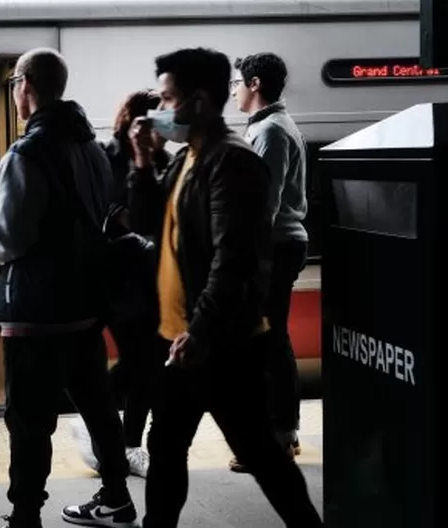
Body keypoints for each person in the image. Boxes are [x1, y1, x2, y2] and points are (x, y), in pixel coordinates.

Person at [127, 47, 323, 527]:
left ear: (196, 100)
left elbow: (233, 260)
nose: (162, 109)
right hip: (184, 339)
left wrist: (202, 331)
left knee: (259, 452)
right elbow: (151, 224)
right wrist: (143, 162)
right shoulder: (187, 159)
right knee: (167, 447)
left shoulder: (232, 162)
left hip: (218, 343)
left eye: (168, 98)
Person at [0, 48, 139, 528]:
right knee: (99, 409)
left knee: (29, 421)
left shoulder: (26, 153)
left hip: (35, 313)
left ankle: (26, 514)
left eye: (13, 83)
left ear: (24, 84)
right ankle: (116, 497)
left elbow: (8, 237)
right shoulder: (90, 149)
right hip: (86, 307)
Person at [71, 90, 170, 478]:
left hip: (154, 278)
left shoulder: (163, 161)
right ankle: (107, 425)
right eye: (158, 120)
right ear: (136, 122)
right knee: (141, 361)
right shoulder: (108, 157)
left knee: (147, 364)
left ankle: (129, 442)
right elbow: (100, 213)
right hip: (117, 276)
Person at [231, 52, 309, 471]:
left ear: (255, 84)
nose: (233, 90)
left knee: (268, 340)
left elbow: (264, 203)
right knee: (269, 339)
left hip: (274, 247)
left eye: (237, 83)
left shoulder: (272, 132)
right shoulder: (271, 126)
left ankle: (277, 437)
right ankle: (280, 433)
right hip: (277, 246)